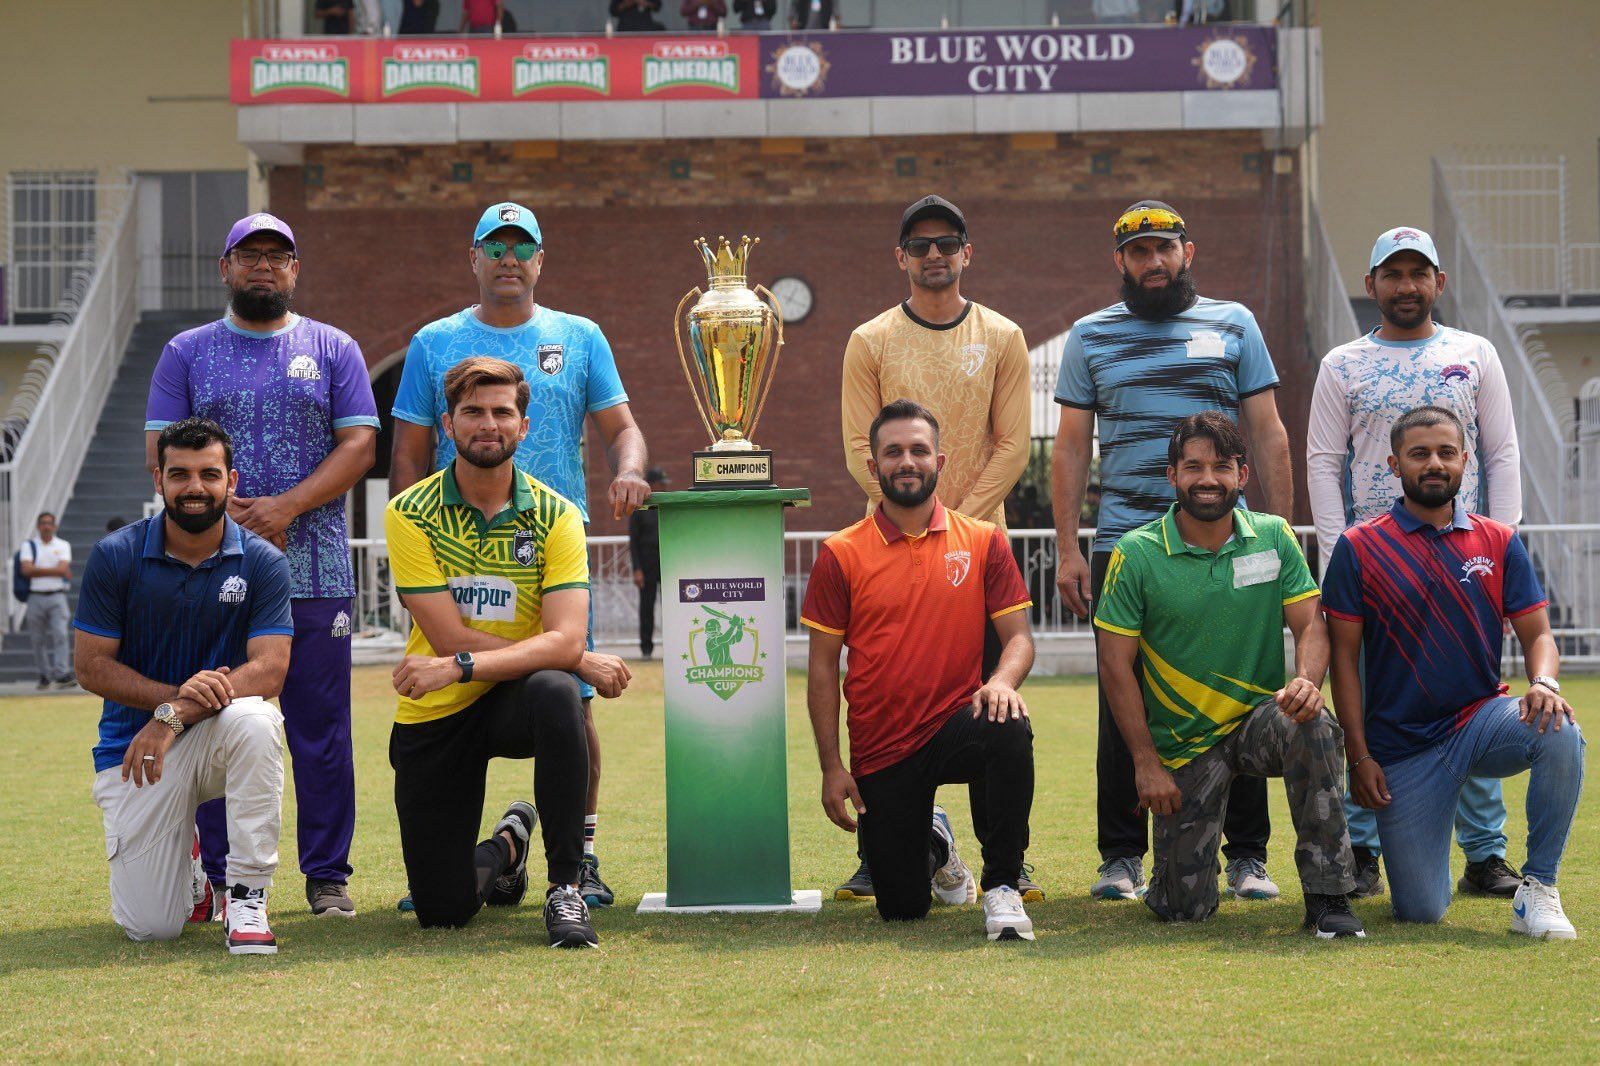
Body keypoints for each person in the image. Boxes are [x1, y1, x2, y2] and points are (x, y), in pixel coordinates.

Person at [390, 201, 650, 910]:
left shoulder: (581, 336)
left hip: (547, 556)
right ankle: (495, 847)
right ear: (472, 257)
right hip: (457, 554)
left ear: (541, 260)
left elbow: (623, 428)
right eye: (494, 245)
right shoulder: (432, 341)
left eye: (521, 246)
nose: (508, 257)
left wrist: (630, 470)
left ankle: (581, 858)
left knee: (570, 703)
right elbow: (409, 454)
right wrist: (413, 557)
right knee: (468, 691)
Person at [1052, 199, 1293, 903]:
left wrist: (1280, 536)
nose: (1152, 262)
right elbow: (1069, 447)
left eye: (1164, 248)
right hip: (1128, 547)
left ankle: (1248, 856)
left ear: (1189, 252)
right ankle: (1120, 857)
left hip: (1234, 546)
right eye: (1138, 252)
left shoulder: (1235, 323)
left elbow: (1269, 432)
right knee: (1118, 696)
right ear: (1119, 263)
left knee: (1246, 690)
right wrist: (1069, 549)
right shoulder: (1089, 336)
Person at [146, 211, 378, 920]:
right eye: (248, 255)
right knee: (217, 717)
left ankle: (326, 877)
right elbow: (160, 454)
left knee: (321, 728)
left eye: (278, 256)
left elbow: (359, 445)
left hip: (315, 572)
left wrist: (284, 508)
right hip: (212, 573)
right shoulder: (186, 352)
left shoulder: (332, 347)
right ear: (225, 268)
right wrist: (221, 520)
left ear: (295, 270)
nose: (262, 267)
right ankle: (218, 876)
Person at [1307, 226, 1524, 901]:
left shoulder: (1474, 352)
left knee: (1474, 696)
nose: (1406, 286)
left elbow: (1502, 451)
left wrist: (1503, 546)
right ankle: (1364, 845)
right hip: (1375, 563)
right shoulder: (1343, 362)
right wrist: (1337, 554)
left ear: (1439, 282)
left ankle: (1485, 853)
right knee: (1364, 697)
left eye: (1418, 273)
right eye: (1391, 274)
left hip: (1463, 557)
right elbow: (1323, 460)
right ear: (1371, 285)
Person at [836, 194, 1036, 904]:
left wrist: (954, 524)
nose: (933, 255)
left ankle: (1007, 863)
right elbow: (862, 451)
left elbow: (1013, 446)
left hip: (977, 557)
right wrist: (911, 516)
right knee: (879, 699)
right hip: (885, 557)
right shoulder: (870, 340)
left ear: (966, 252)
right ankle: (886, 848)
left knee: (994, 708)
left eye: (946, 242)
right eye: (919, 244)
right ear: (900, 256)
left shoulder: (1003, 335)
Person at [1095, 412, 1363, 937]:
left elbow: (1313, 625)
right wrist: (1146, 762)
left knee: (1314, 724)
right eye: (1192, 466)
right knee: (1182, 910)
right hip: (1183, 744)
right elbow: (1114, 664)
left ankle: (1330, 897)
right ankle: (1175, 876)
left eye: (1221, 466)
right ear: (1171, 476)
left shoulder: (1273, 537)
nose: (1207, 479)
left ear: (1243, 475)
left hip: (1258, 723)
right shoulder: (1136, 553)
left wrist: (1307, 679)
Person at [1323, 406, 1583, 938]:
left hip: (1479, 721)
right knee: (1421, 909)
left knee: (1559, 728)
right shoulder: (1359, 547)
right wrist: (1360, 755)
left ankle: (1539, 888)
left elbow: (1538, 636)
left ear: (1466, 461)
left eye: (1446, 453)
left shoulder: (1498, 541)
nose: (1434, 464)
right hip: (1403, 749)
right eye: (1420, 454)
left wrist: (1544, 683)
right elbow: (1343, 662)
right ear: (1395, 464)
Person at [802, 400, 1038, 942]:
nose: (906, 461)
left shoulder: (982, 541)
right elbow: (820, 670)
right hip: (884, 747)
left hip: (956, 723)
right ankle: (937, 844)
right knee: (902, 908)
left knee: (1009, 724)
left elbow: (1019, 639)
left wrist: (1000, 681)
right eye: (893, 452)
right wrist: (832, 766)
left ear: (940, 460)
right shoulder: (839, 553)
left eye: (918, 450)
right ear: (874, 465)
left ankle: (1002, 885)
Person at [386, 357, 600, 948]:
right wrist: (575, 657)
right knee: (442, 911)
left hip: (511, 696)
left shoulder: (558, 516)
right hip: (439, 708)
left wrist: (561, 658)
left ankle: (567, 889)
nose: (488, 423)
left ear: (524, 426)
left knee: (558, 693)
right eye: (472, 412)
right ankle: (509, 845)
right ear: (447, 425)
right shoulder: (410, 514)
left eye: (502, 411)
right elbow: (451, 635)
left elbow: (559, 639)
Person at [75, 418, 294, 953]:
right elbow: (91, 667)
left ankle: (246, 897)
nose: (194, 486)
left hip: (215, 733)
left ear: (232, 480)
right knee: (152, 927)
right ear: (159, 480)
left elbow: (269, 669)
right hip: (136, 751)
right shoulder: (116, 556)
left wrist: (175, 714)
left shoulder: (263, 561)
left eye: (208, 474)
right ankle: (192, 874)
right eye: (180, 474)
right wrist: (168, 707)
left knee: (259, 718)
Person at [21, 511, 73, 689]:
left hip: (57, 595)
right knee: (37, 639)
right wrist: (56, 570)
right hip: (35, 595)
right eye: (43, 523)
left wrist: (38, 569)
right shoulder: (29, 546)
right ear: (38, 526)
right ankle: (44, 674)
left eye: (49, 523)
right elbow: (26, 571)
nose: (46, 526)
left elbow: (63, 568)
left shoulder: (63, 545)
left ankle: (61, 673)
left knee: (60, 635)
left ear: (55, 526)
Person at [628, 467, 668, 658]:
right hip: (646, 565)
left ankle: (673, 645)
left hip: (667, 564)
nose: (664, 488)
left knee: (670, 607)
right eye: (661, 484)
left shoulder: (666, 507)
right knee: (647, 608)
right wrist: (637, 569)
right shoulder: (640, 508)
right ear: (652, 485)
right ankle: (646, 649)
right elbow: (633, 542)